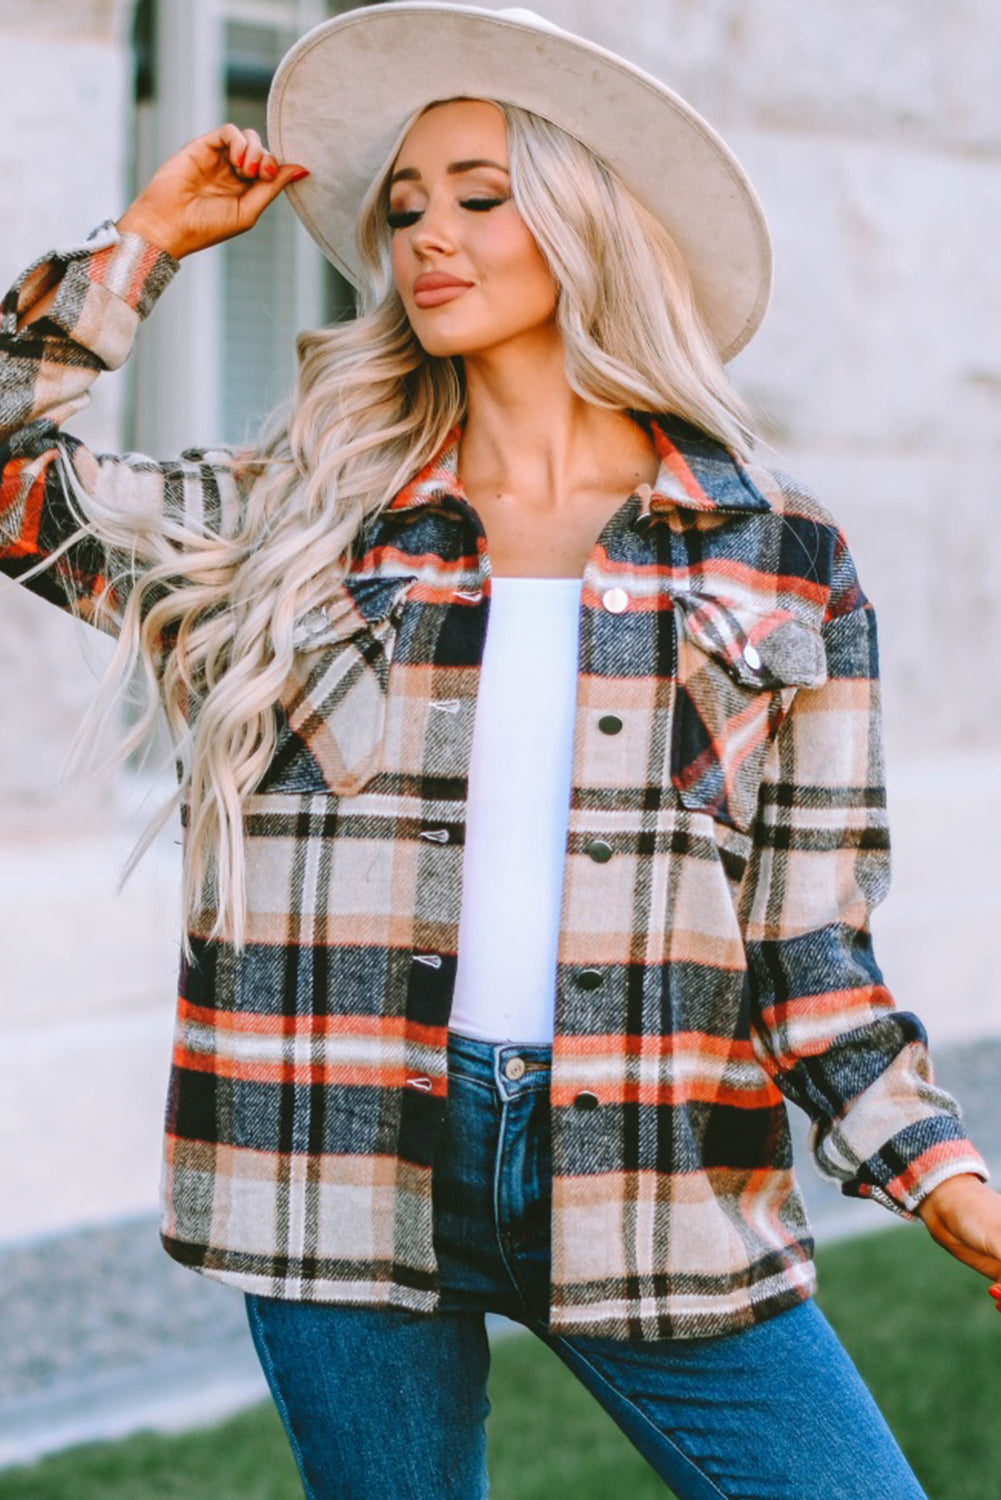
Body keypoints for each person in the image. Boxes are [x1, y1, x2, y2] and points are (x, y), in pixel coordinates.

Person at [2, 5, 1000, 1497]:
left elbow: (807, 943)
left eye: (479, 195)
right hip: (332, 1150)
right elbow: (20, 477)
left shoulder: (773, 554)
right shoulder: (304, 516)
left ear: (587, 224)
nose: (425, 238)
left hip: (650, 1162)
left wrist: (946, 1183)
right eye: (402, 209)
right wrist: (146, 238)